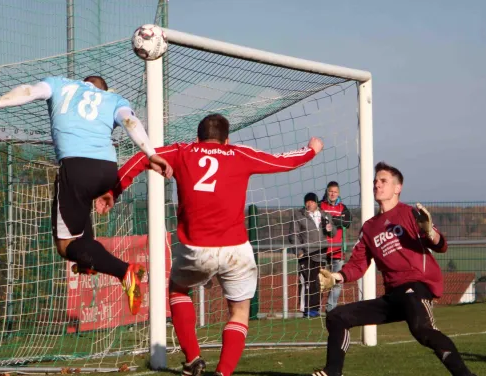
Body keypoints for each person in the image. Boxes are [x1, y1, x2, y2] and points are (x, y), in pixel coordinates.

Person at [96, 114, 323, 376]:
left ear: (197, 137)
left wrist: (114, 190)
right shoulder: (239, 153)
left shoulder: (182, 151)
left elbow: (138, 158)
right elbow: (283, 162)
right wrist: (311, 150)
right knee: (239, 312)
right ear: (227, 140)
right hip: (236, 249)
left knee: (178, 291)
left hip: (195, 249)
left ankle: (193, 358)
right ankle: (223, 372)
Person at [0, 75, 172, 316]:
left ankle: (125, 271)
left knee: (65, 247)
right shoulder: (113, 98)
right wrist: (151, 154)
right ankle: (88, 261)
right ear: (104, 88)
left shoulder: (60, 84)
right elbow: (130, 121)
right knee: (81, 232)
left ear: (83, 83)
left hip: (76, 167)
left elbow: (29, 90)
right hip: (106, 171)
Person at [315, 162, 476, 376]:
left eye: (383, 181)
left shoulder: (411, 214)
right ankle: (333, 372)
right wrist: (336, 277)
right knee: (337, 316)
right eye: (375, 181)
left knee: (422, 330)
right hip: (393, 296)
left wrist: (429, 232)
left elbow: (441, 245)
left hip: (415, 287)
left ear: (397, 188)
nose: (377, 185)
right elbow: (358, 264)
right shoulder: (370, 227)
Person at [288, 192, 335, 317]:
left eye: (312, 202)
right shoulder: (298, 216)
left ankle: (315, 309)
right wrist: (298, 251)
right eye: (307, 202)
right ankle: (306, 310)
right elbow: (294, 234)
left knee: (319, 282)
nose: (309, 204)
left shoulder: (324, 215)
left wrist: (330, 228)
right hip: (306, 254)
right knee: (306, 282)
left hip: (321, 253)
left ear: (316, 203)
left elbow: (333, 233)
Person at [319, 181, 352, 312]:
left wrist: (330, 219)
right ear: (327, 192)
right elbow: (319, 220)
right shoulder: (321, 206)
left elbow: (347, 222)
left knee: (337, 281)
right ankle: (315, 309)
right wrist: (335, 220)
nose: (332, 194)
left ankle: (330, 308)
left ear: (338, 193)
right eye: (330, 191)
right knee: (319, 281)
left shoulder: (343, 208)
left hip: (338, 251)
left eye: (335, 192)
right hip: (321, 249)